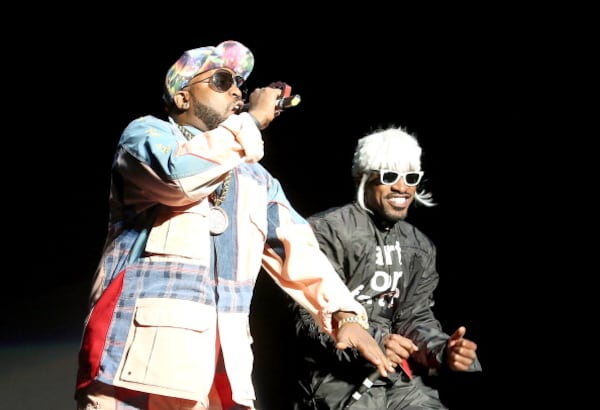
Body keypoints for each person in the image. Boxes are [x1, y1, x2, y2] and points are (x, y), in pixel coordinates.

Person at [73, 40, 395, 410]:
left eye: (239, 84)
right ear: (182, 98)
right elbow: (178, 178)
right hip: (132, 370)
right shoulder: (145, 137)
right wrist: (252, 122)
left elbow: (300, 252)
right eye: (222, 81)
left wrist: (344, 314)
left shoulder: (257, 180)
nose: (237, 91)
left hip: (217, 378)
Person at [286, 127, 483, 409]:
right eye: (390, 176)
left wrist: (442, 350)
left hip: (397, 378)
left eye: (411, 178)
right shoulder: (326, 231)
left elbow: (415, 317)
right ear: (363, 177)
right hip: (336, 379)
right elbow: (307, 315)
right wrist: (373, 342)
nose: (402, 188)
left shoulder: (419, 245)